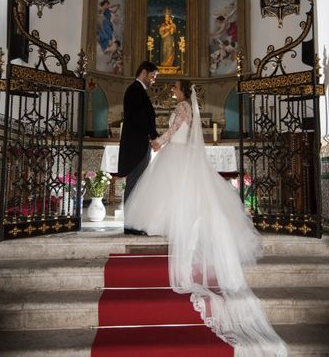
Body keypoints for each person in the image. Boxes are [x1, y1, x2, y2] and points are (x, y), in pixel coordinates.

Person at [125, 80, 288, 356]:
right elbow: (188, 134)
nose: (172, 90)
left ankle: (166, 222)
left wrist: (159, 142)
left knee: (169, 191)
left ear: (182, 90)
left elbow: (176, 129)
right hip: (183, 153)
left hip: (174, 153)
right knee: (178, 192)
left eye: (175, 87)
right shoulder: (190, 106)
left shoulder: (181, 106)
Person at [117, 61, 159, 235]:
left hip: (140, 144)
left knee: (137, 184)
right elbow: (142, 118)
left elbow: (144, 117)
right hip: (136, 146)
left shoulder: (138, 90)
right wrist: (154, 135)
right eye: (152, 76)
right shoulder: (135, 90)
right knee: (134, 184)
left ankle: (134, 223)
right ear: (143, 73)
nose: (154, 80)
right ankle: (130, 225)